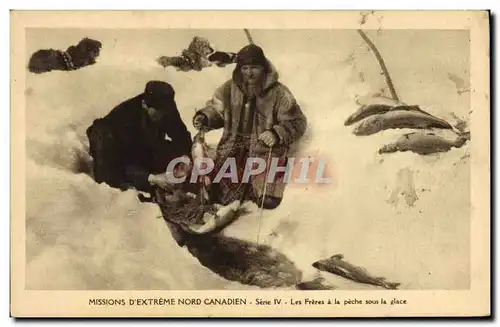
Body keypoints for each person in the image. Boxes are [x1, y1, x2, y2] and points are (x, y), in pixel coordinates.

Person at [192, 44, 307, 209]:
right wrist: (205, 117)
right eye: (245, 68)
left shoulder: (279, 93)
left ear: (263, 68)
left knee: (266, 199)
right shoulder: (229, 88)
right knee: (219, 193)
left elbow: (297, 122)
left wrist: (276, 133)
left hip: (263, 149)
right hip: (233, 146)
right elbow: (217, 109)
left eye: (254, 68)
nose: (249, 73)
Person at [86, 80, 193, 193]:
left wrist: (184, 158)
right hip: (111, 149)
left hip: (143, 145)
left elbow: (180, 134)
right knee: (112, 177)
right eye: (157, 113)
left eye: (164, 114)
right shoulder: (125, 117)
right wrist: (152, 178)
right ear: (144, 105)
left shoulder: (166, 107)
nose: (161, 117)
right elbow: (123, 160)